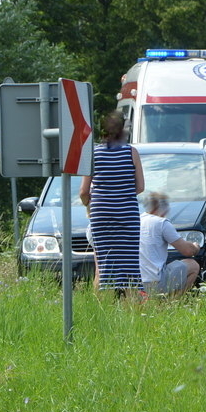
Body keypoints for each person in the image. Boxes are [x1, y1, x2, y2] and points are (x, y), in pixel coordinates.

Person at [79, 110, 145, 294]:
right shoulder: (131, 152)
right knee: (130, 264)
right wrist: (123, 193)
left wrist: (89, 203)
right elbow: (140, 187)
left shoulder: (93, 154)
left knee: (103, 264)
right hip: (127, 216)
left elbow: (83, 191)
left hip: (101, 216)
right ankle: (132, 302)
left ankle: (103, 303)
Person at [139, 191, 200, 296]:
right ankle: (172, 302)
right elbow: (188, 251)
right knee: (193, 265)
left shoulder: (137, 221)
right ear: (162, 208)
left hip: (134, 283)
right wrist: (195, 246)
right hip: (155, 282)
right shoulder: (162, 223)